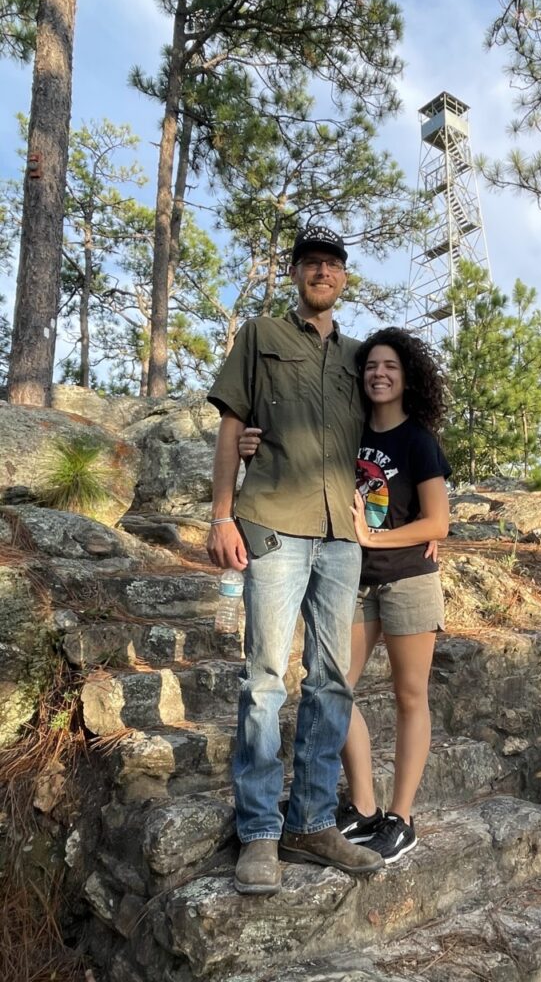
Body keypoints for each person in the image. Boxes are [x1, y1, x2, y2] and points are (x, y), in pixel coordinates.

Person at [206, 226, 384, 897]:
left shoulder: (360, 357)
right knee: (264, 678)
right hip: (273, 524)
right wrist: (222, 512)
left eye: (332, 265)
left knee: (333, 681)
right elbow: (231, 426)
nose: (321, 272)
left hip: (342, 535)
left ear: (343, 278)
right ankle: (258, 832)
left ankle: (310, 821)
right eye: (311, 263)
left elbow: (386, 434)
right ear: (296, 275)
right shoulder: (260, 336)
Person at [240, 327, 450, 865]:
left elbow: (438, 522)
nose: (378, 374)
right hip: (353, 579)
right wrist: (251, 442)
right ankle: (362, 804)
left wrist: (376, 537)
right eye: (371, 366)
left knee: (410, 696)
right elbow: (297, 447)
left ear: (407, 378)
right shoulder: (350, 431)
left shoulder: (418, 440)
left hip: (407, 578)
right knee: (337, 688)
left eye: (390, 367)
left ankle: (401, 818)